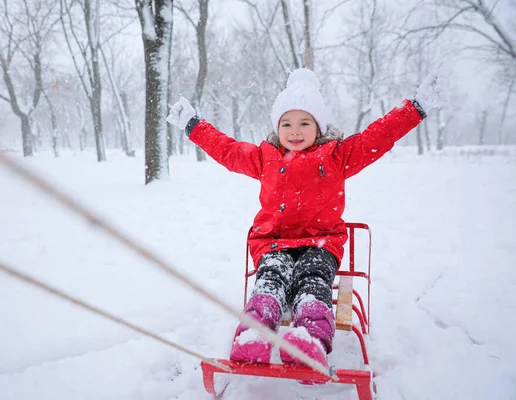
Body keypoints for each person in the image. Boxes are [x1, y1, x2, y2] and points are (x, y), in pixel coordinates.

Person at [166, 68, 446, 373]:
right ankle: (254, 334)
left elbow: (378, 135)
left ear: (319, 127)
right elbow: (227, 150)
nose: (294, 131)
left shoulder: (338, 156)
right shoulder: (265, 156)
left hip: (321, 243)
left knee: (313, 282)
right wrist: (194, 126)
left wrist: (415, 108)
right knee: (270, 280)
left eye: (304, 123)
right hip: (273, 243)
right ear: (277, 127)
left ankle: (309, 341)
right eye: (286, 123)